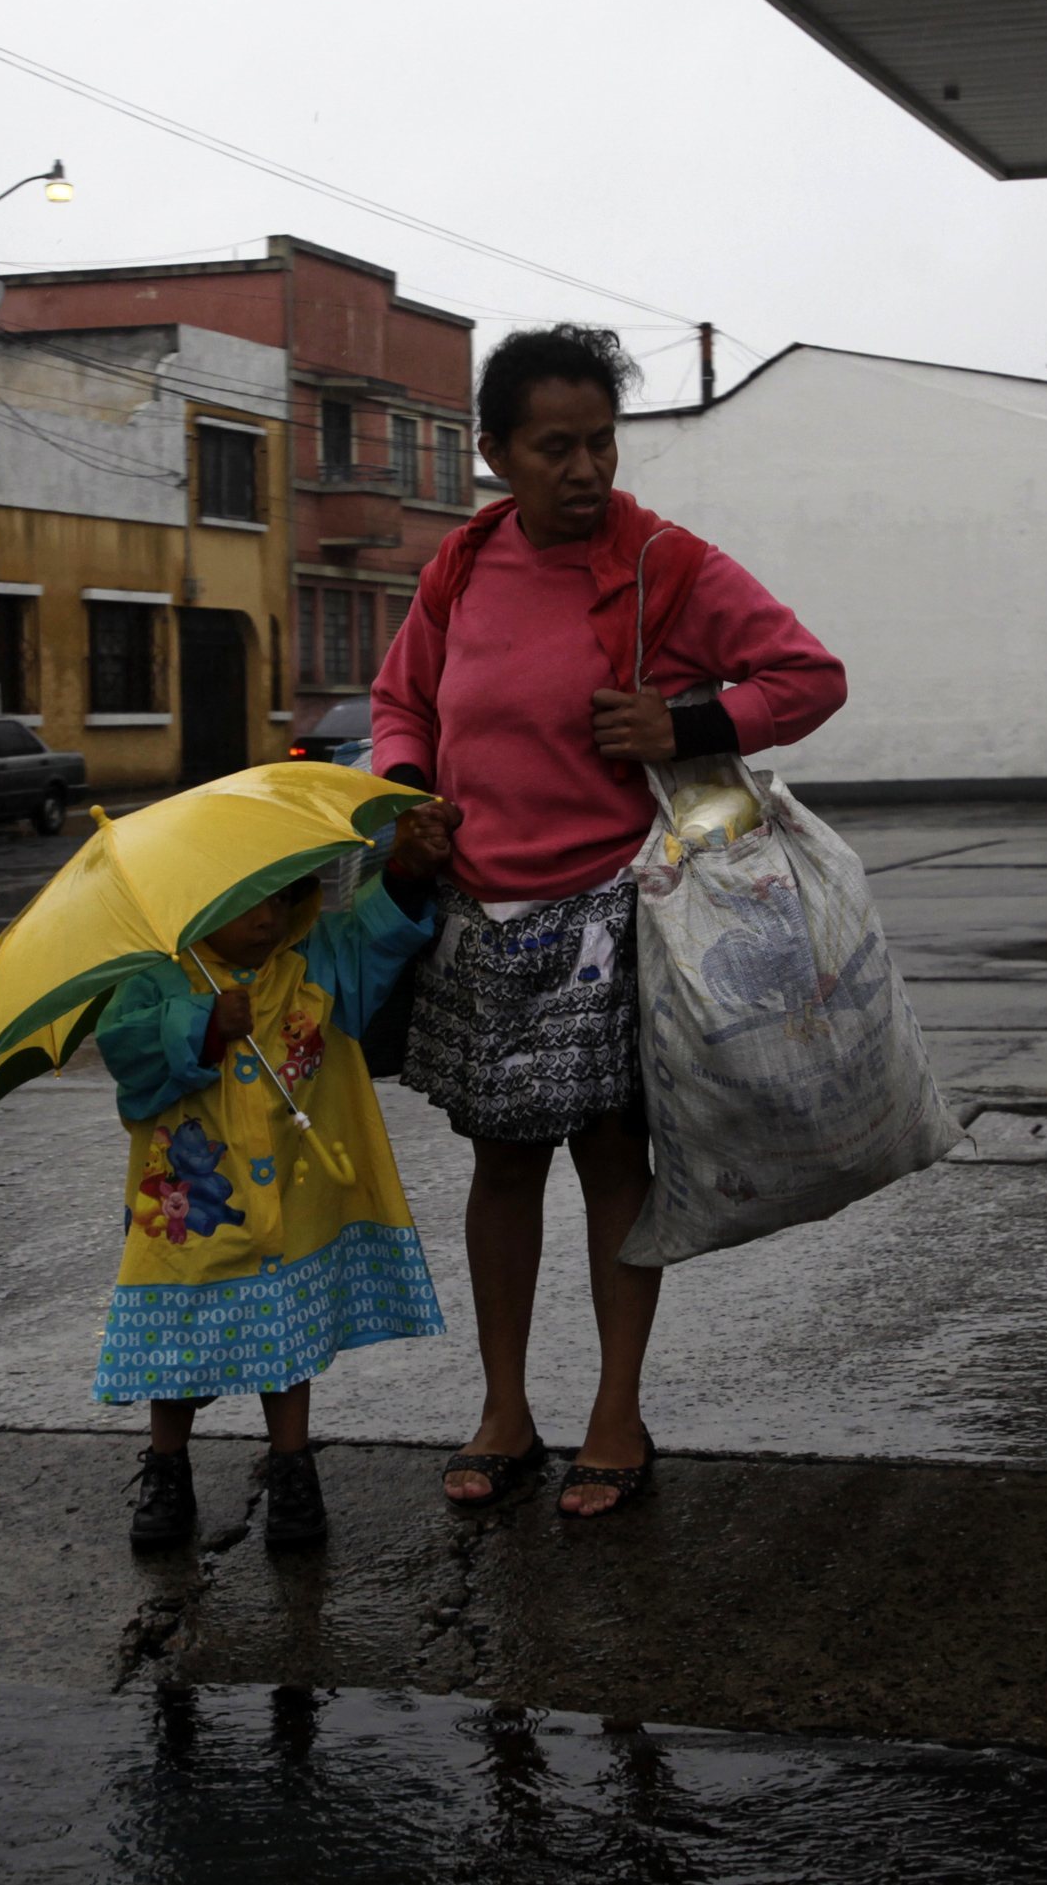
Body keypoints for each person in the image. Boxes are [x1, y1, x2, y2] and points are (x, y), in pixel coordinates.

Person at [372, 324, 847, 1519]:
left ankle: (616, 1411)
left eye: (600, 444)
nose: (586, 470)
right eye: (555, 447)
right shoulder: (461, 565)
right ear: (495, 454)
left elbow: (806, 675)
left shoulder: (665, 566)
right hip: (481, 914)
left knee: (611, 1164)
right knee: (500, 1164)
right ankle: (503, 1407)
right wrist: (406, 792)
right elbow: (402, 700)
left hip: (611, 909)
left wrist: (686, 723)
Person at [93, 799, 463, 1552]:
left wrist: (408, 869)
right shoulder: (161, 977)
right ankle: (168, 1467)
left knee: (288, 1344)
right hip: (192, 1211)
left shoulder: (310, 964)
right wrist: (199, 1024)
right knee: (177, 1344)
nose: (266, 917)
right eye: (243, 902)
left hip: (296, 1198)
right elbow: (125, 1053)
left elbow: (371, 937)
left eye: (279, 895)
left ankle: (293, 1467)